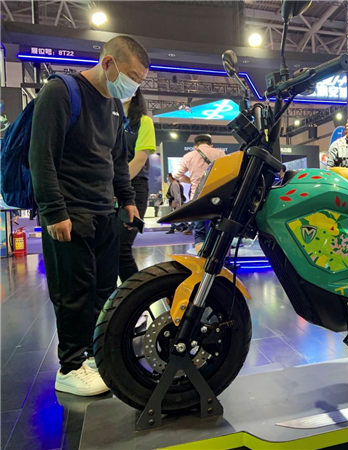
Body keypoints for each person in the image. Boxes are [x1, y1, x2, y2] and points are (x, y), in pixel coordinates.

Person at [29, 35, 149, 396]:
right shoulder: (61, 92)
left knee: (103, 289)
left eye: (139, 81)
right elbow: (41, 155)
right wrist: (54, 211)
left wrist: (127, 200)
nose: (133, 86)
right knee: (73, 294)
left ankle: (95, 355)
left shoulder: (114, 106)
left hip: (103, 212)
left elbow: (116, 159)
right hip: (69, 212)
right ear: (108, 63)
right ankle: (69, 367)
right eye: (131, 76)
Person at [118, 89, 156, 282]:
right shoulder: (109, 119)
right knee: (107, 249)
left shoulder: (143, 121)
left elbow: (139, 160)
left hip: (134, 190)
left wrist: (118, 186)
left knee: (122, 249)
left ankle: (135, 296)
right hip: (107, 190)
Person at [173, 134, 225, 244]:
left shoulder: (188, 156)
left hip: (197, 197)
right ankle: (217, 251)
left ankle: (201, 252)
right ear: (211, 145)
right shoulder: (220, 153)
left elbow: (176, 175)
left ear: (195, 146)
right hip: (217, 196)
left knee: (200, 232)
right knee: (218, 230)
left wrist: (191, 181)